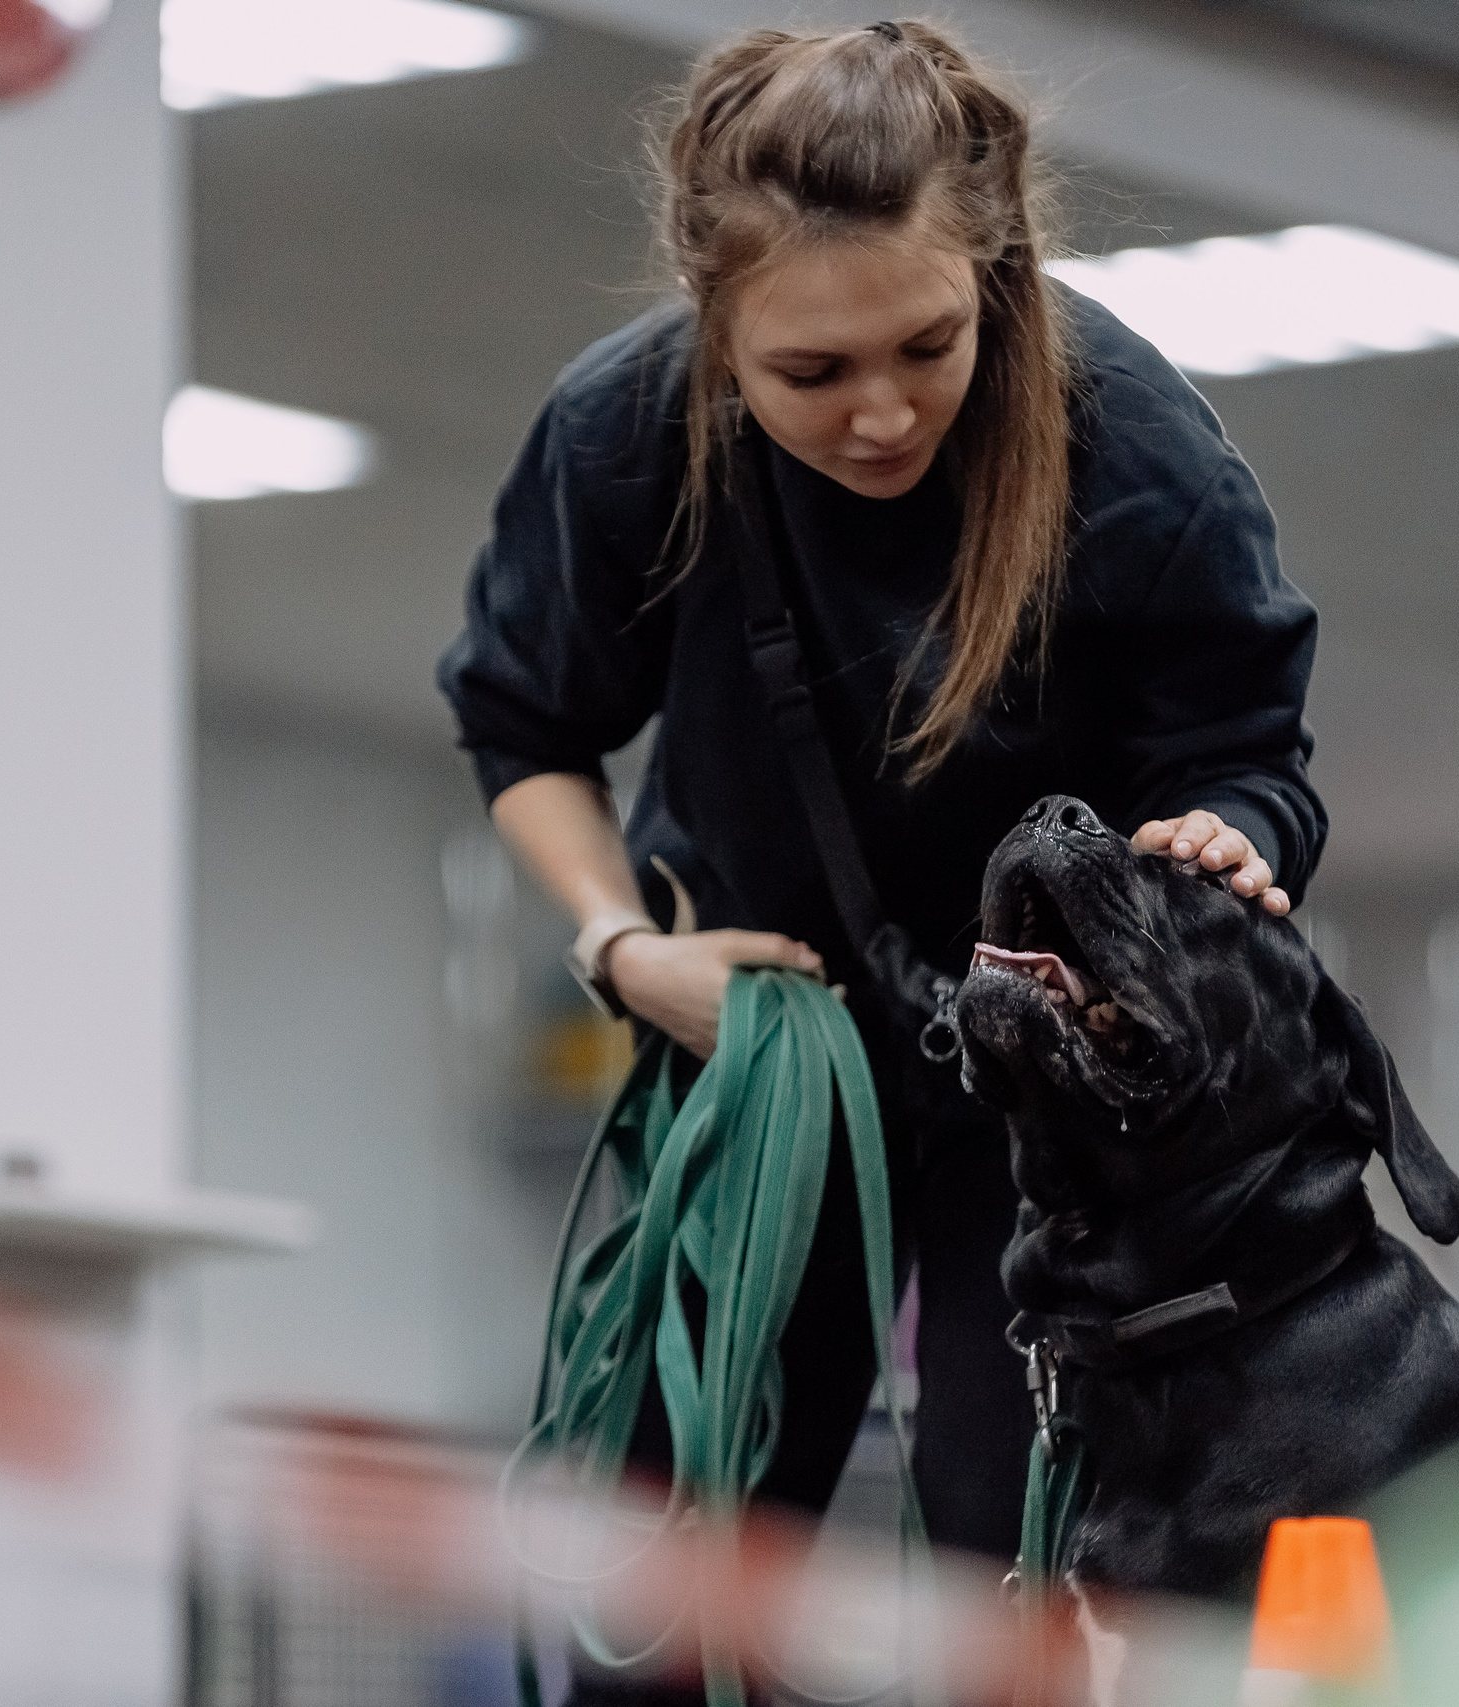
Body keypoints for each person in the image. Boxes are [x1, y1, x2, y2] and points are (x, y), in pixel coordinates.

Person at [440, 18, 1326, 1696]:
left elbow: (1252, 759)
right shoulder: (627, 433)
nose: (881, 413)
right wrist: (628, 951)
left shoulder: (1127, 438)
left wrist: (1231, 835)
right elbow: (521, 728)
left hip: (1051, 1096)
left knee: (1017, 1541)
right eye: (811, 375)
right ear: (717, 332)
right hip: (767, 1053)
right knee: (670, 1562)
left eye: (928, 345)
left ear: (992, 271)